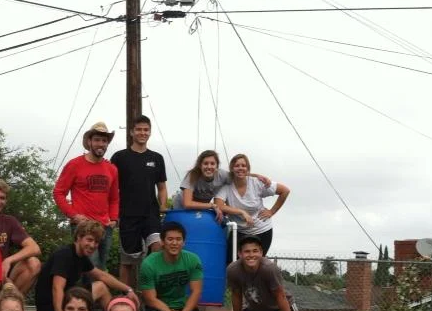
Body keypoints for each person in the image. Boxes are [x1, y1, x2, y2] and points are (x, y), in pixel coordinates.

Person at [34, 221, 138, 311]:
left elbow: (102, 275)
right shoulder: (65, 255)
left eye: (96, 242)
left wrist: (128, 289)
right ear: (79, 237)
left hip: (68, 305)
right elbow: (57, 288)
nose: (93, 245)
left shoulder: (81, 256)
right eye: (89, 240)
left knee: (101, 287)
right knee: (101, 303)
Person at [53, 122, 119, 270]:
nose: (100, 144)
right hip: (84, 227)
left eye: (104, 140)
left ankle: (89, 293)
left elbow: (114, 198)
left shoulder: (112, 169)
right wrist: (73, 215)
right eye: (97, 140)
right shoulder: (74, 164)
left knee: (101, 269)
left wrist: (114, 219)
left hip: (105, 227)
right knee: (91, 270)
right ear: (89, 141)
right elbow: (58, 192)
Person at [110, 115, 167, 288]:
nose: (142, 133)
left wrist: (163, 208)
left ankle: (151, 295)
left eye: (146, 130)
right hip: (127, 215)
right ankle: (126, 298)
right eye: (139, 129)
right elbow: (112, 189)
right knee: (128, 261)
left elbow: (162, 187)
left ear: (149, 132)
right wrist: (114, 214)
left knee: (157, 248)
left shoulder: (157, 158)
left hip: (151, 215)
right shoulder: (119, 157)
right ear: (132, 132)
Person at [0, 178, 42, 295]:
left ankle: (11, 304)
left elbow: (34, 248)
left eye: (2, 198)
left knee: (33, 263)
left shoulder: (9, 222)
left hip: (2, 274)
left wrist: (8, 261)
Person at [214, 153, 289, 262]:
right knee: (231, 264)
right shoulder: (226, 187)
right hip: (239, 231)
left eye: (243, 166)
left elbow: (285, 191)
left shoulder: (257, 182)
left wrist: (272, 211)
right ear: (231, 168)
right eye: (237, 165)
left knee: (255, 265)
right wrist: (241, 212)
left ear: (248, 169)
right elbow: (219, 205)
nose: (240, 168)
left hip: (262, 230)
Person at [172, 150, 271, 219]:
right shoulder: (192, 175)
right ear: (200, 165)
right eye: (205, 163)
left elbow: (239, 174)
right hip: (181, 205)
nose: (209, 167)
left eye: (212, 164)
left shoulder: (222, 175)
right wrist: (213, 205)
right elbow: (187, 204)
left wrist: (257, 175)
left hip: (202, 206)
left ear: (217, 166)